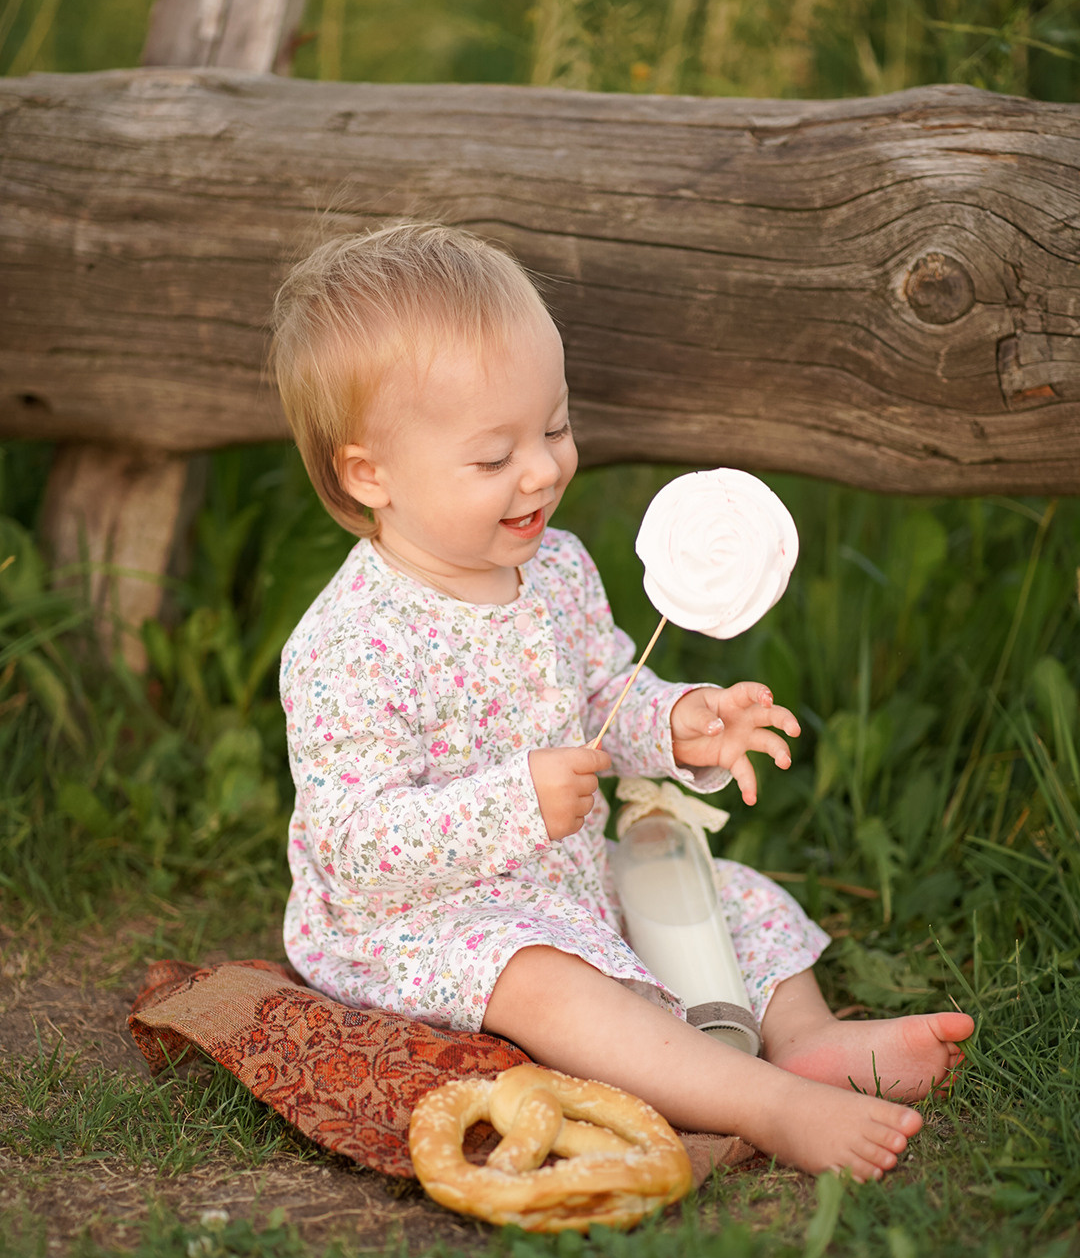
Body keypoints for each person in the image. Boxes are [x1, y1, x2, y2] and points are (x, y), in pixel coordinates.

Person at [270, 221, 972, 1183]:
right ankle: (768, 1105)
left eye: (554, 427)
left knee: (735, 900)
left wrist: (676, 721)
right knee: (556, 987)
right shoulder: (351, 643)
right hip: (422, 923)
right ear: (369, 475)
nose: (544, 469)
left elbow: (605, 684)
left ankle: (810, 1038)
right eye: (493, 457)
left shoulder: (553, 565)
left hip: (562, 873)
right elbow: (354, 845)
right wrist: (515, 804)